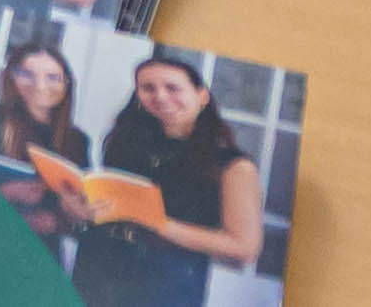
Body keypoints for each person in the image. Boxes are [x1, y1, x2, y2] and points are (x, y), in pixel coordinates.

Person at [72, 53, 264, 307]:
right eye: (148, 88)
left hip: (165, 280)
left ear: (202, 96)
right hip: (97, 265)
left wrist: (161, 225)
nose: (160, 97)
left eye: (172, 88)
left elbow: (244, 248)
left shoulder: (235, 166)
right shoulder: (127, 141)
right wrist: (82, 209)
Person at [0, 38, 100, 260]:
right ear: (11, 78)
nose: (40, 85)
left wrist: (63, 219)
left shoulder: (77, 140)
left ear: (67, 85)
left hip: (36, 257)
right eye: (27, 74)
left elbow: (81, 226)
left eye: (53, 77)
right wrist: (4, 193)